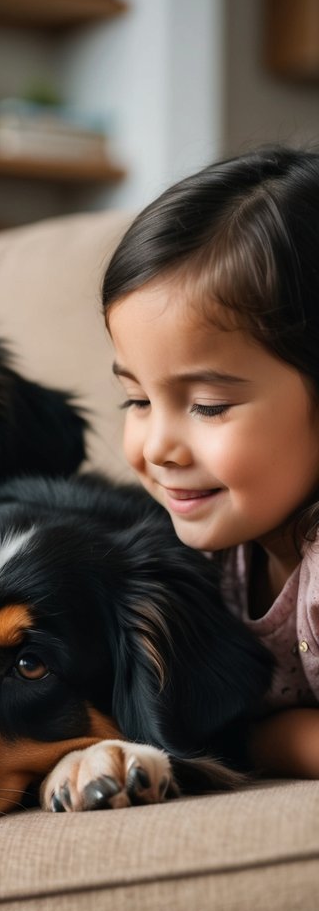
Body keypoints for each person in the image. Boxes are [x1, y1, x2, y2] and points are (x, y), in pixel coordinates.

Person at [102, 144, 319, 778]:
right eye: (137, 400)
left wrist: (260, 740)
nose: (159, 448)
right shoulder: (207, 553)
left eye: (209, 406)